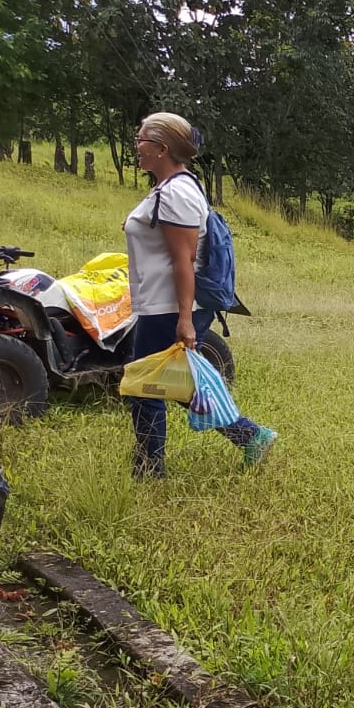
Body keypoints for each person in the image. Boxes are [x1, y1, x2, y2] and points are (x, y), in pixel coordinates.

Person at [123, 113, 276, 478]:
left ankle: (149, 469)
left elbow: (184, 259)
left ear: (162, 149)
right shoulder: (172, 187)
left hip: (171, 306)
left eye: (141, 140)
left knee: (145, 387)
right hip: (163, 303)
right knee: (167, 381)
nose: (137, 146)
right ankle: (250, 435)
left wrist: (185, 319)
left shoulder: (176, 193)